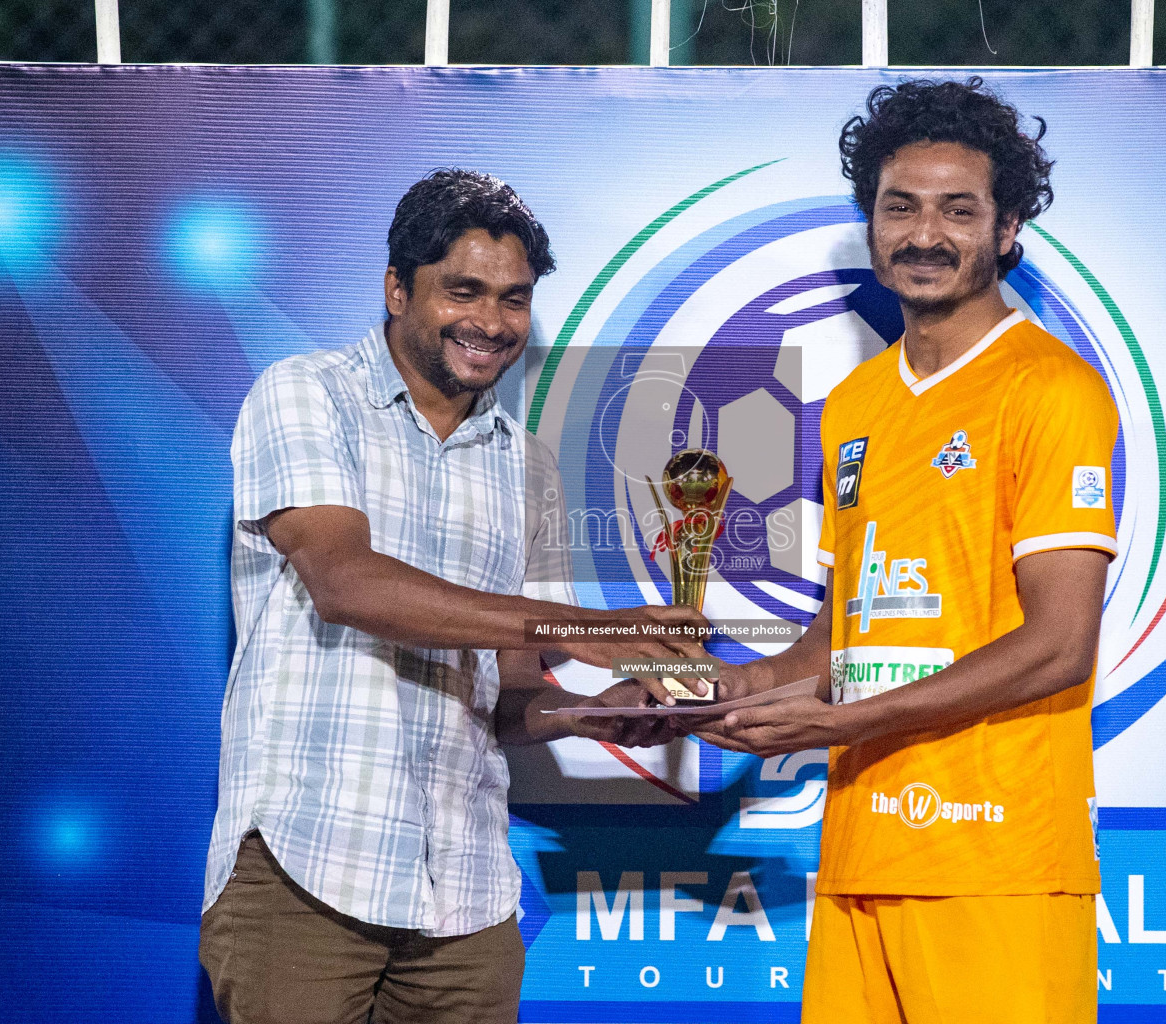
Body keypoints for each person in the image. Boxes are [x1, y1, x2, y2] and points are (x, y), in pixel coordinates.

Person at [199, 169, 712, 1024]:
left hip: (466, 898)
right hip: (307, 868)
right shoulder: (306, 394)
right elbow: (345, 582)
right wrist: (585, 629)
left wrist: (602, 711)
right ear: (397, 288)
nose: (490, 322)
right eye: (462, 291)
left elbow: (506, 691)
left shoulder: (528, 465)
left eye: (513, 300)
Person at [694, 79, 1118, 1023]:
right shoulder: (856, 407)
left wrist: (844, 725)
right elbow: (842, 639)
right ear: (872, 224)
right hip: (862, 854)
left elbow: (1058, 645)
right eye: (901, 206)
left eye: (957, 210)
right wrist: (733, 691)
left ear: (1007, 229)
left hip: (996, 858)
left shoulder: (1052, 390)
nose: (925, 233)